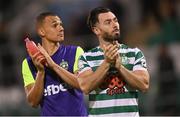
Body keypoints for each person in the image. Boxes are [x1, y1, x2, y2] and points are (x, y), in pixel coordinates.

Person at [77, 7, 150, 116]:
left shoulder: (134, 53)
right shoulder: (86, 57)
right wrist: (106, 63)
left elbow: (144, 85)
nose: (115, 24)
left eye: (115, 20)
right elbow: (85, 87)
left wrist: (120, 67)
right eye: (108, 22)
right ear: (96, 30)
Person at [21, 12, 87, 116]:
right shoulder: (28, 63)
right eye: (55, 25)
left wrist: (54, 66)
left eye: (61, 24)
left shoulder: (75, 52)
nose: (61, 28)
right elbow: (33, 102)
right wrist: (41, 72)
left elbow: (83, 84)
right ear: (42, 31)